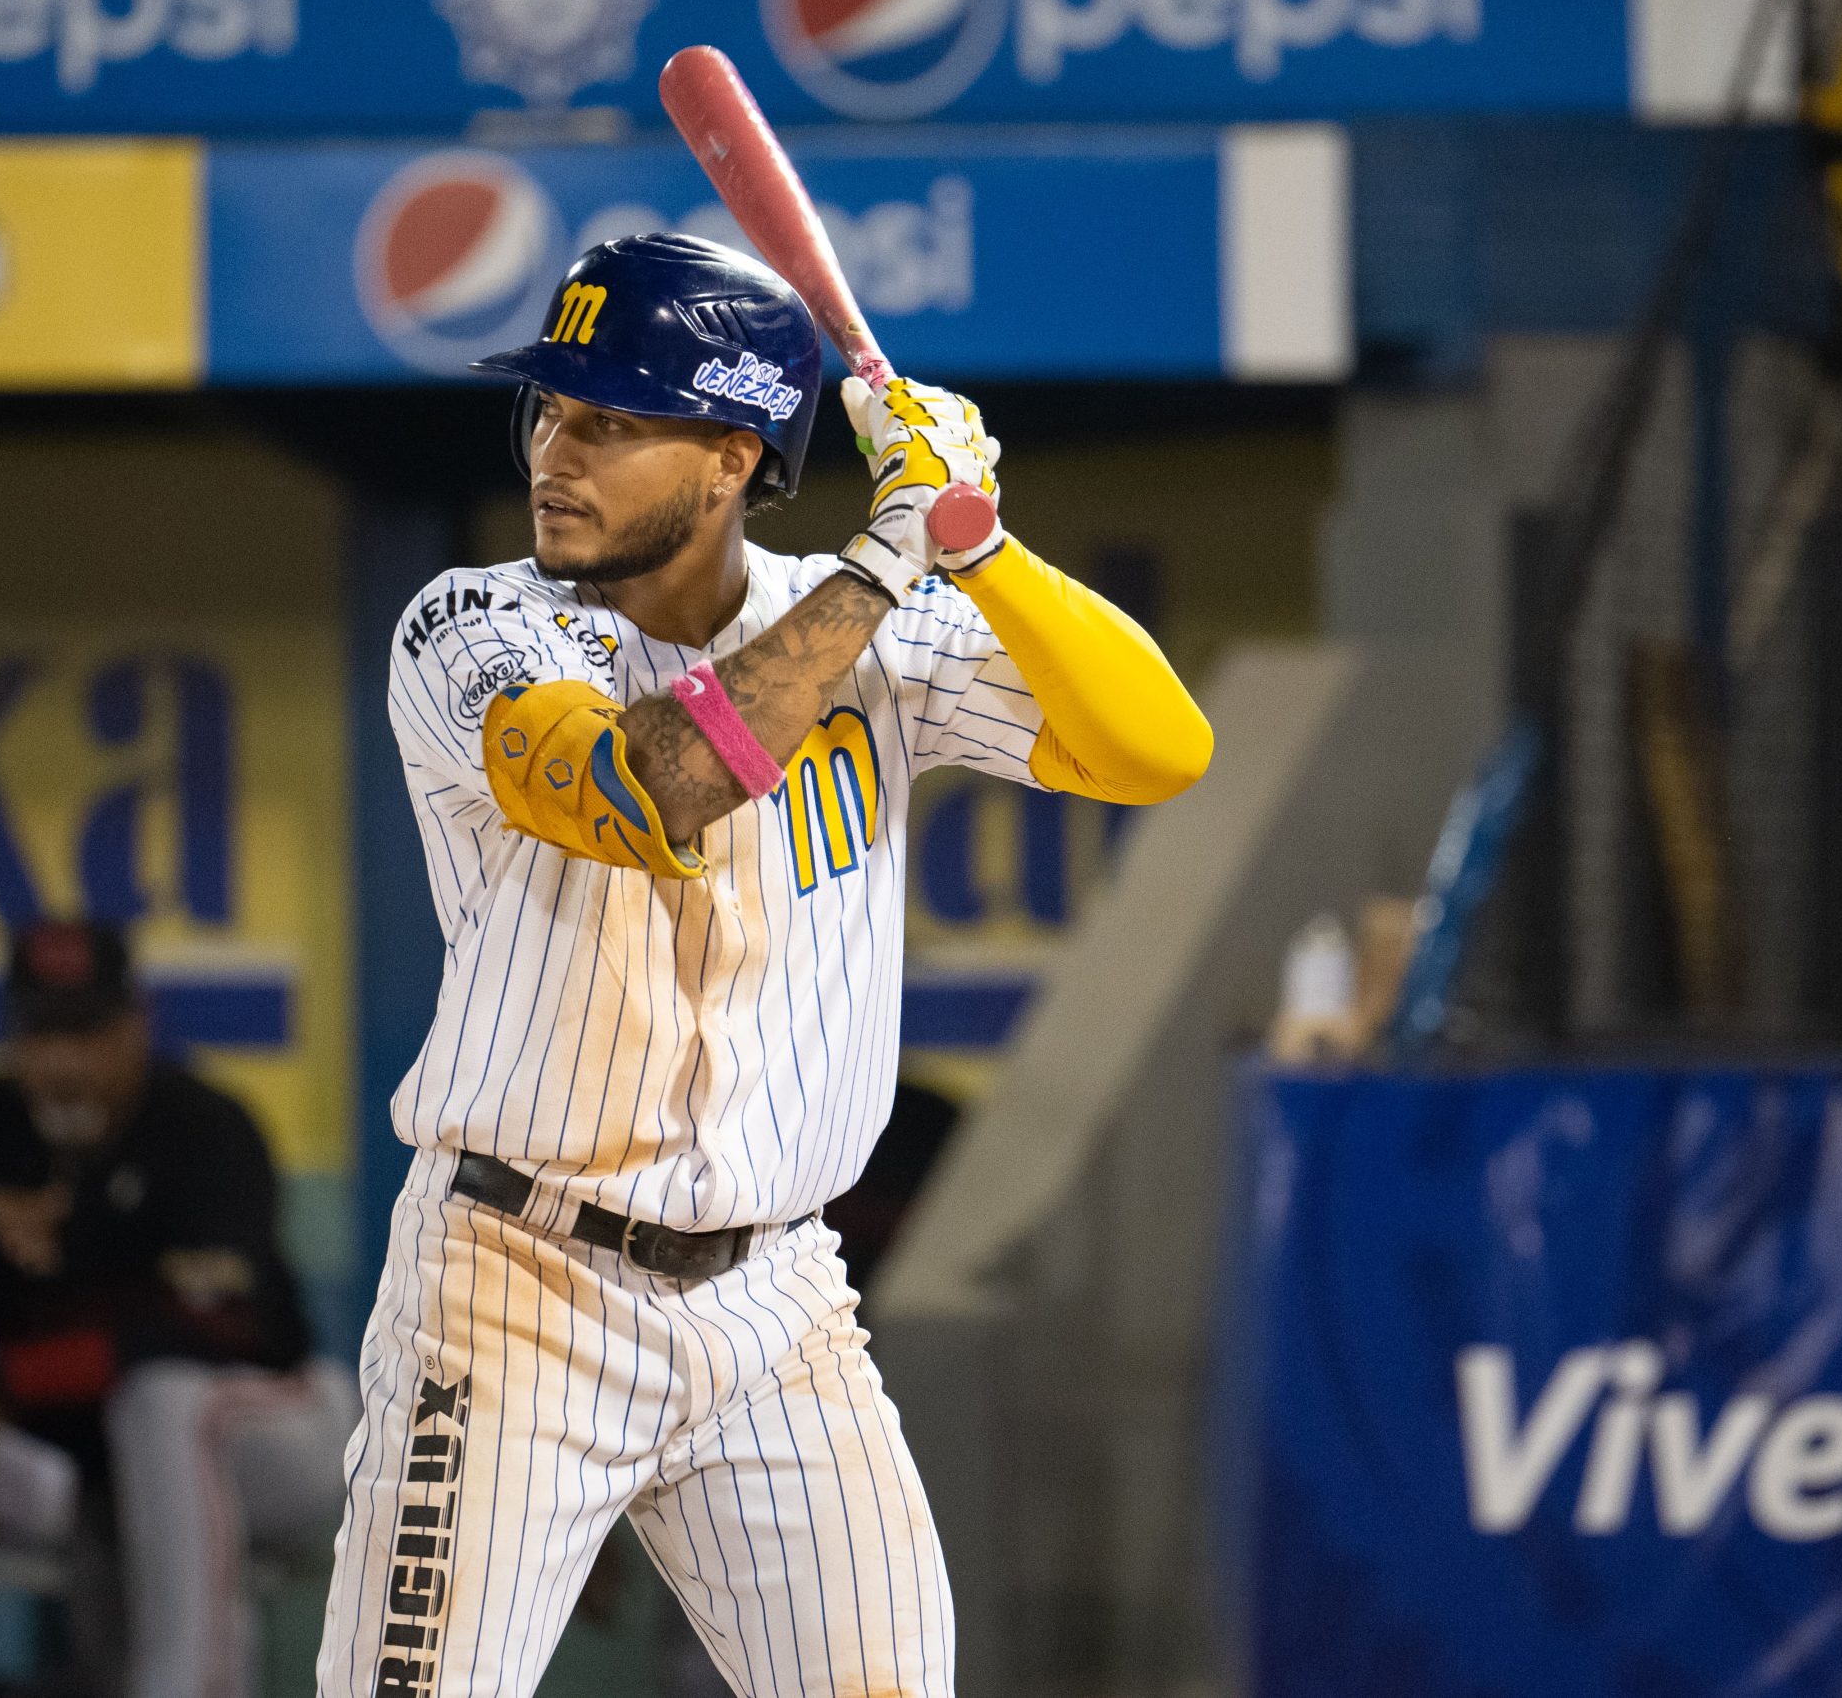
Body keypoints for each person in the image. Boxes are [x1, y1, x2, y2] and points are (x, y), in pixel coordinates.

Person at [317, 232, 1212, 1698]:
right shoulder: (476, 622)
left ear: (732, 454)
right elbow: (651, 787)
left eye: (610, 421)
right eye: (549, 409)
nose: (558, 449)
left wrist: (978, 542)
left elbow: (1158, 747)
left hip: (778, 1298)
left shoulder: (885, 628)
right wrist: (885, 557)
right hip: (518, 1277)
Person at [0, 918, 353, 1698]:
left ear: (137, 1025)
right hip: (109, 1465)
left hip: (282, 1432)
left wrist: (10, 1385)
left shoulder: (203, 1125)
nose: (63, 1062)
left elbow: (213, 1322)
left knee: (163, 1404)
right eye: (42, 1034)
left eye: (87, 1033)